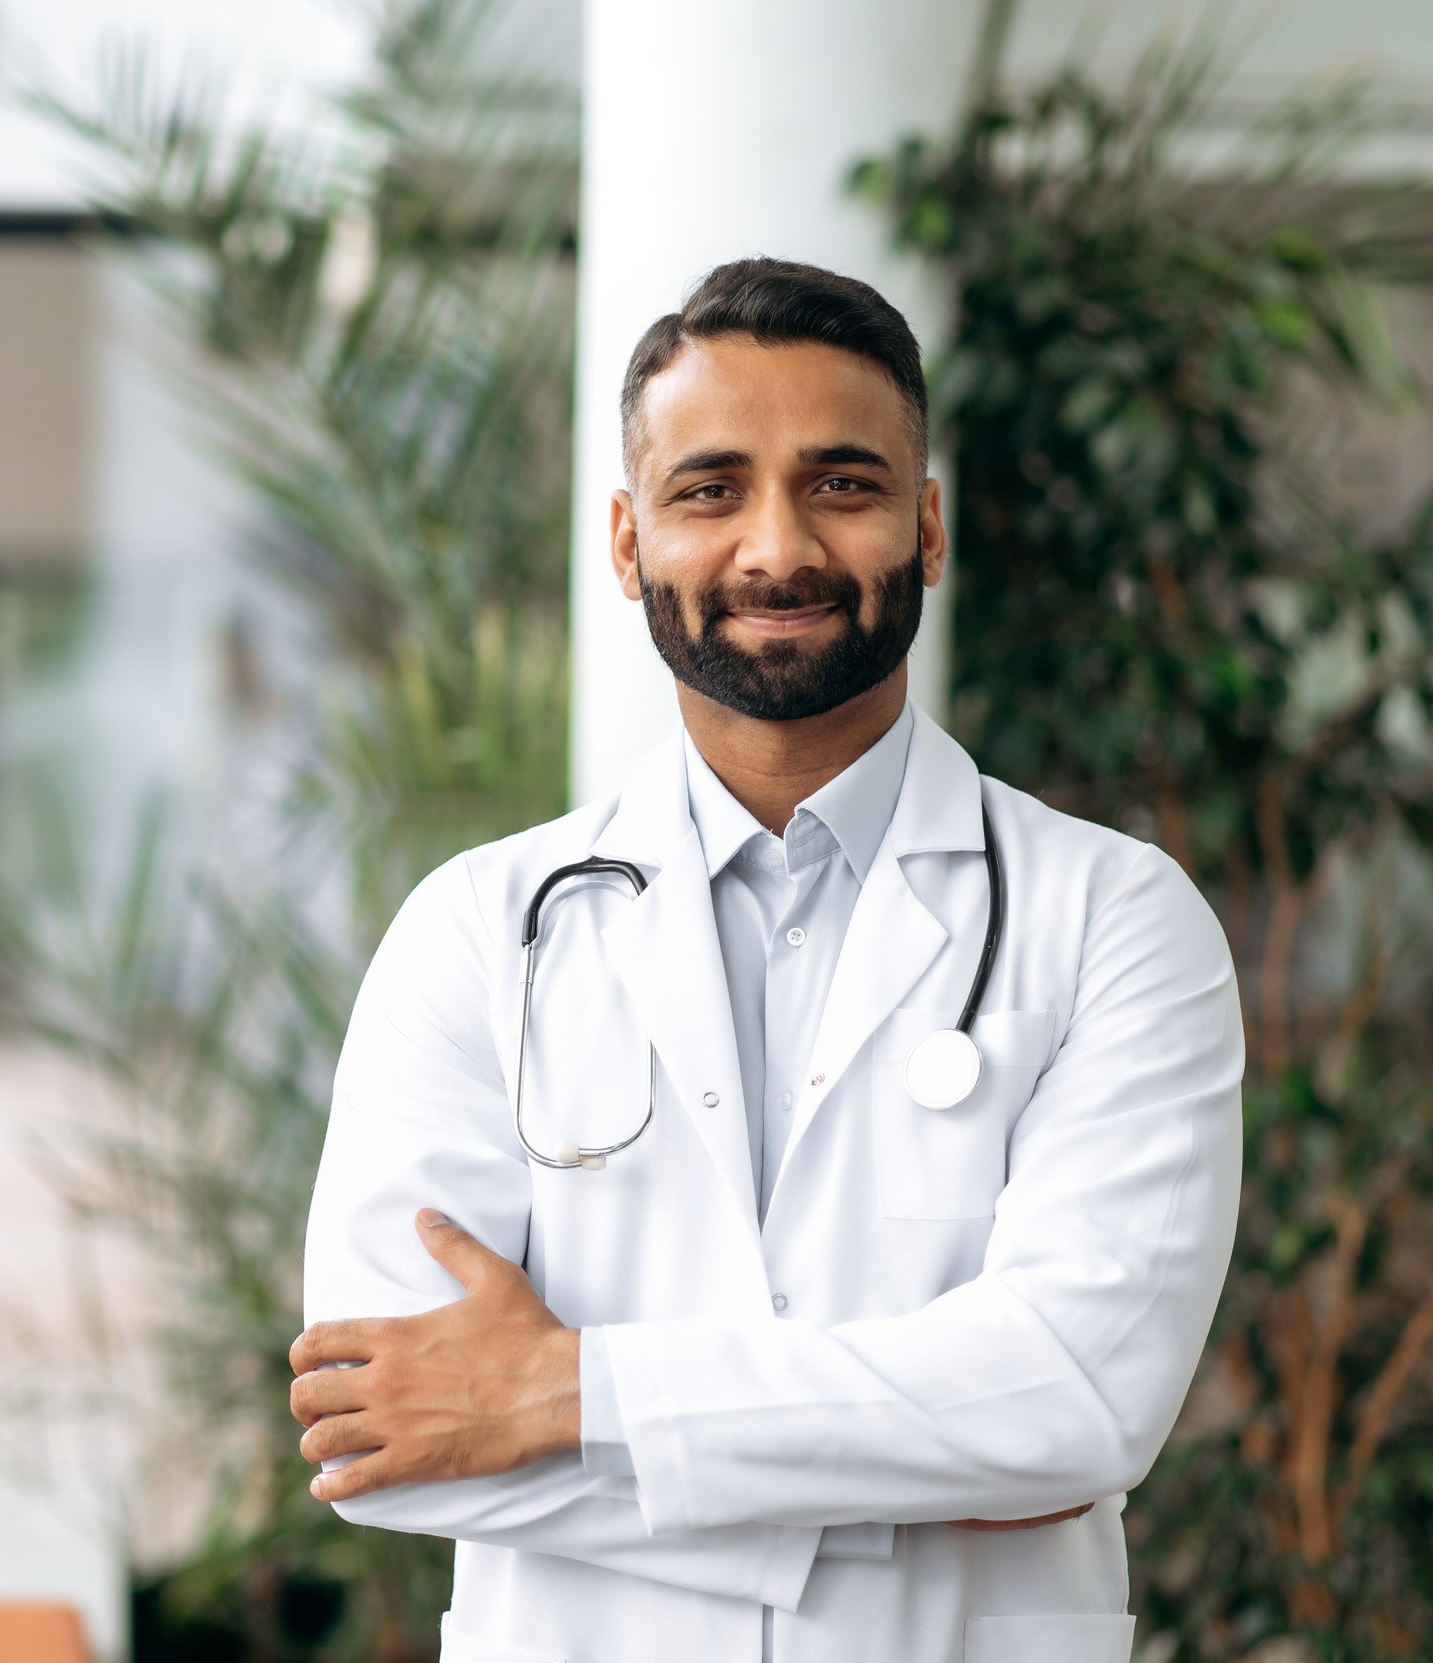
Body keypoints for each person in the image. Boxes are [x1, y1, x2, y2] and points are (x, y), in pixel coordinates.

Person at [291, 257, 1243, 1663]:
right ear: (626, 543)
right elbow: (392, 1429)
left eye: (843, 485)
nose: (777, 546)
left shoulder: (1114, 918)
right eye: (710, 489)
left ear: (926, 529)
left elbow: (1083, 1396)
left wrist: (567, 1396)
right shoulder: (479, 930)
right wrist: (929, 1468)